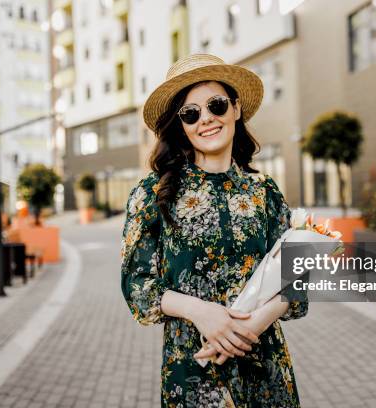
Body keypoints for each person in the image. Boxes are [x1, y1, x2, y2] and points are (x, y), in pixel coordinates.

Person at [121, 54, 308, 407]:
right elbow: (137, 285)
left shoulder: (264, 190)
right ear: (181, 125)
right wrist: (201, 312)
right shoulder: (152, 193)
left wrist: (250, 326)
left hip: (264, 366)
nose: (205, 118)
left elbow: (293, 277)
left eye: (216, 105)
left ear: (235, 109)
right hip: (193, 370)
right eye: (190, 113)